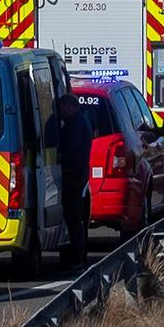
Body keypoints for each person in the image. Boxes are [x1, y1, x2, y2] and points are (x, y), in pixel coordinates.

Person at [56, 93, 92, 269]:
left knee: (73, 216)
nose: (61, 112)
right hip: (78, 172)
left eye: (62, 108)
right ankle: (78, 256)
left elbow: (70, 148)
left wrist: (59, 157)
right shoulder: (80, 121)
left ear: (70, 106)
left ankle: (78, 257)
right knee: (74, 217)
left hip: (74, 174)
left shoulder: (75, 123)